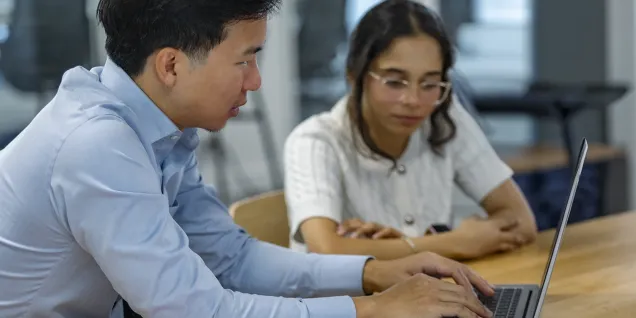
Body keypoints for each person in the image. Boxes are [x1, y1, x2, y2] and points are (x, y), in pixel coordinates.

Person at [0, 0, 496, 317]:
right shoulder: (98, 144)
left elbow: (232, 260)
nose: (255, 80)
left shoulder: (158, 132)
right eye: (244, 59)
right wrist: (375, 310)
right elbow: (196, 311)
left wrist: (375, 272)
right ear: (171, 65)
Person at [284, 0, 538, 261]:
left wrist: (409, 244)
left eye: (429, 84)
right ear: (354, 75)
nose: (413, 100)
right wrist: (456, 242)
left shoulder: (444, 119)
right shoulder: (315, 141)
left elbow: (521, 221)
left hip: (422, 294)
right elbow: (326, 250)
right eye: (395, 82)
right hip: (345, 301)